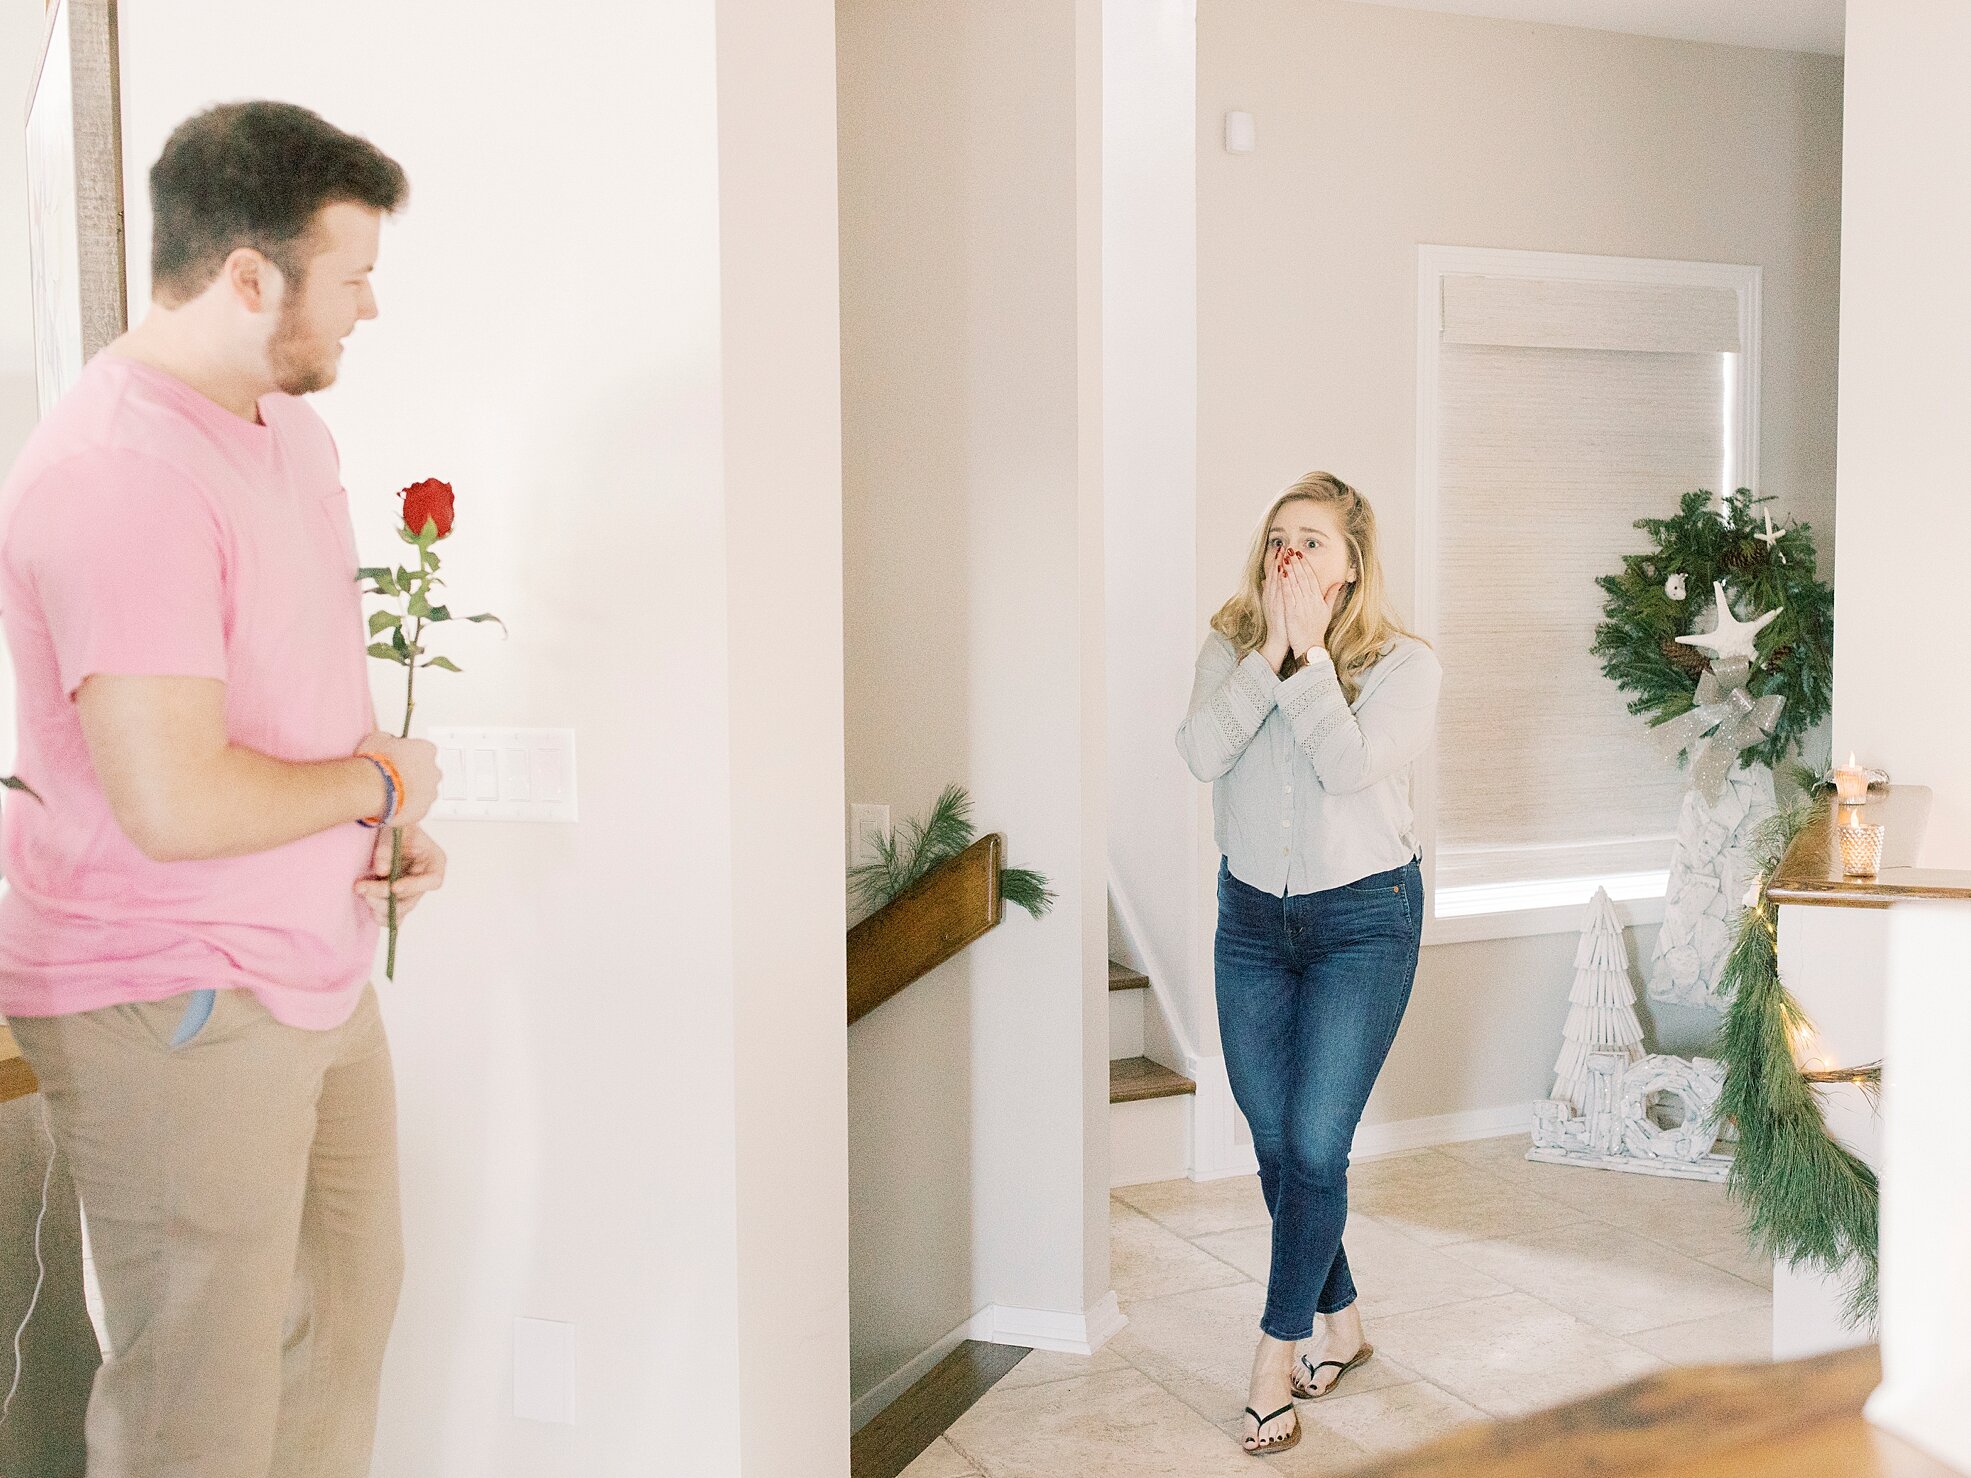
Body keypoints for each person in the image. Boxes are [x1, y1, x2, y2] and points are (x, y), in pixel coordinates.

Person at [0, 101, 444, 1477]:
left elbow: (288, 699)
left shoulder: (284, 435)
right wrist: (372, 779)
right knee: (200, 1397)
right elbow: (175, 801)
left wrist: (382, 822)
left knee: (342, 1322)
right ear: (249, 275)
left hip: (307, 973)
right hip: (175, 996)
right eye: (352, 270)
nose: (371, 302)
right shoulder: (119, 473)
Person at [1175, 470, 1441, 1458]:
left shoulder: (1405, 666)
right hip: (1250, 920)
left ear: (1351, 566)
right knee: (1276, 1143)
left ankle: (1271, 1355)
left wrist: (1310, 661)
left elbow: (1343, 767)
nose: (1290, 554)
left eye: (1314, 541)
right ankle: (1346, 1324)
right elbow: (1202, 752)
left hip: (1364, 920)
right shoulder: (1226, 647)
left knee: (1317, 1145)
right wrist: (1268, 658)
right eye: (1279, 537)